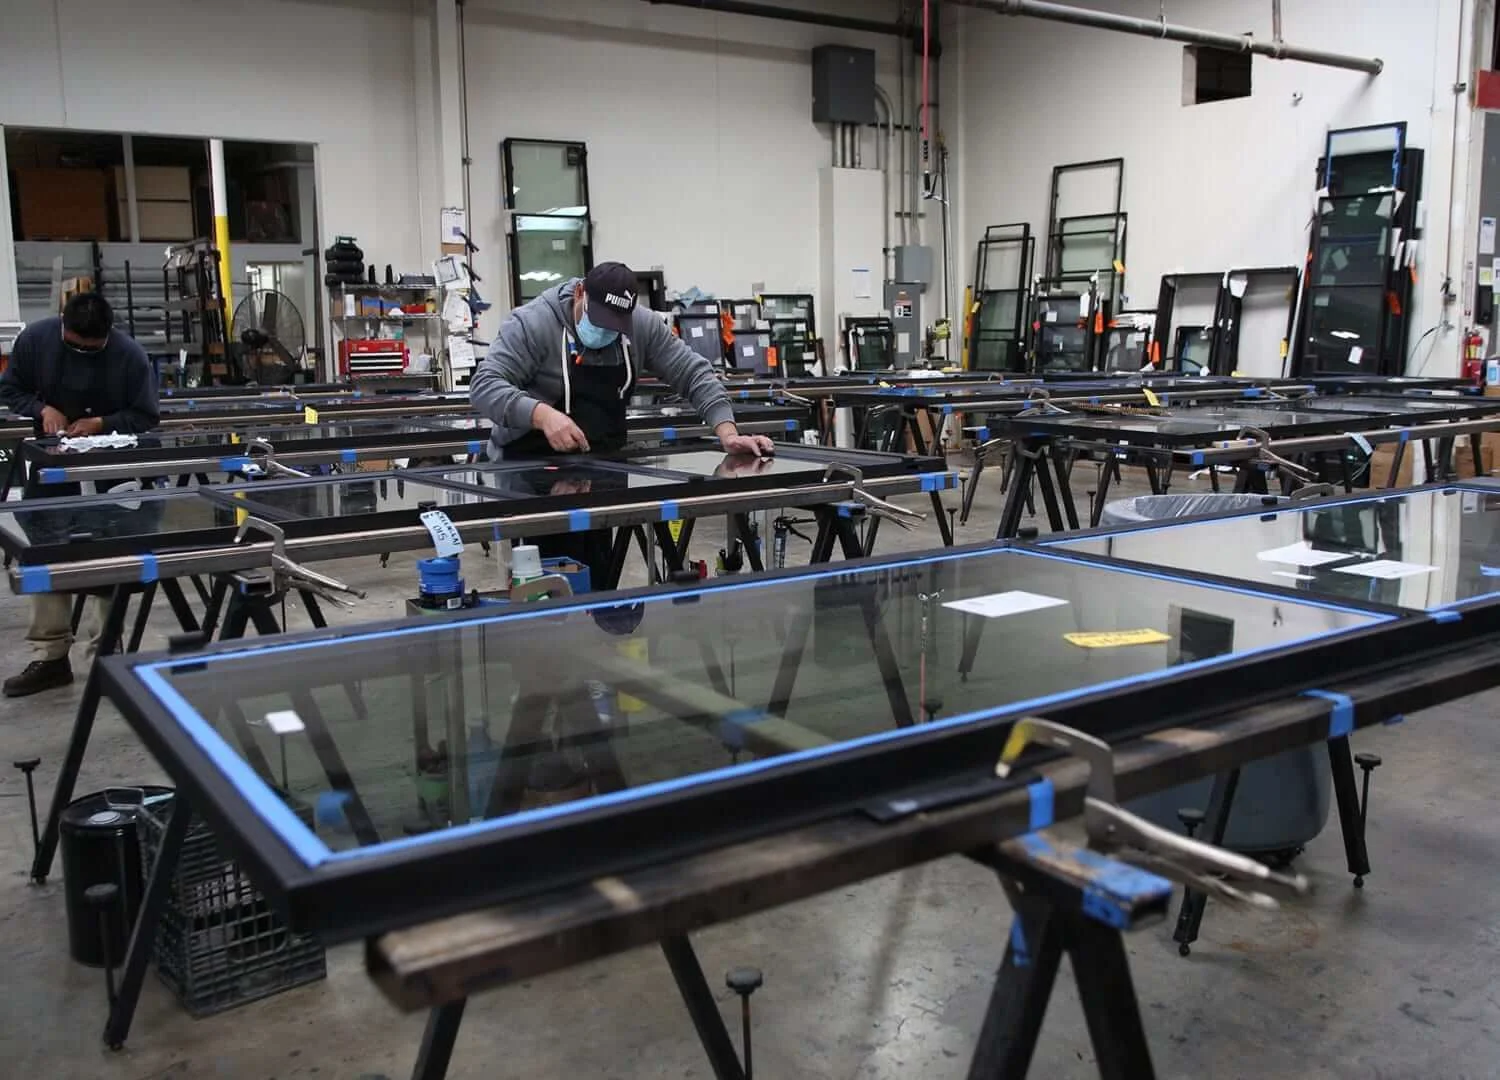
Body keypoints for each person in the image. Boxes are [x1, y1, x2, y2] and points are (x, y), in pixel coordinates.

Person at [470, 262, 774, 583]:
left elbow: (693, 372)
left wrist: (727, 432)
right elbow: (485, 385)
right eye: (599, 322)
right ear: (579, 294)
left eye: (614, 327)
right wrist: (541, 415)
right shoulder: (532, 324)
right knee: (544, 588)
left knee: (598, 580)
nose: (604, 333)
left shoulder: (640, 326)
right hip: (529, 473)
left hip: (600, 473)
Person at [0, 292, 160, 697]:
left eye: (92, 348)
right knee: (46, 553)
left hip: (112, 474)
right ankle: (51, 656)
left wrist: (101, 423)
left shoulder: (130, 356)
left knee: (111, 559)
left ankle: (108, 655)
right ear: (61, 326)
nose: (82, 352)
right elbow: (11, 389)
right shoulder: (35, 341)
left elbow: (145, 416)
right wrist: (42, 409)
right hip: (51, 469)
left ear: (108, 336)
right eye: (74, 345)